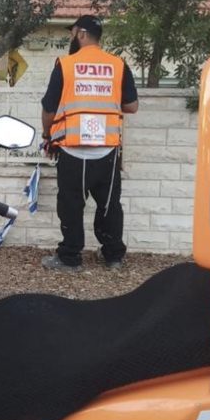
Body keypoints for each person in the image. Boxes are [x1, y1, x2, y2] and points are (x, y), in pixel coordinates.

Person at [40, 15, 139, 271]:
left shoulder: (65, 64)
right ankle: (114, 257)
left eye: (72, 32)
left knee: (71, 205)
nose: (71, 37)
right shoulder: (118, 65)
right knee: (109, 206)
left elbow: (49, 109)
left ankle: (70, 258)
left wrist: (46, 135)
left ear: (81, 34)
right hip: (106, 150)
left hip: (73, 149)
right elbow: (132, 106)